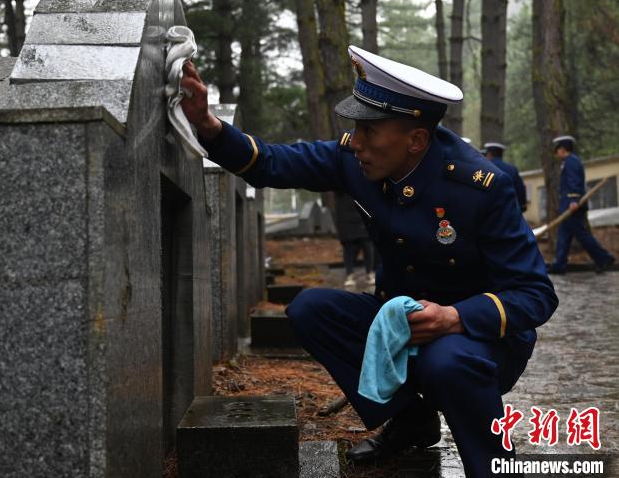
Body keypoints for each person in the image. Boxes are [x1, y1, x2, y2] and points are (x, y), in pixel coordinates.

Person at [180, 46, 558, 477]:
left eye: (369, 131)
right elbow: (271, 163)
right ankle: (410, 419)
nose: (356, 142)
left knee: (445, 361)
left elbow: (536, 294)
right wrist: (207, 124)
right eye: (355, 128)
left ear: (416, 140)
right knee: (310, 310)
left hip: (479, 340)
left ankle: (492, 464)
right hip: (403, 325)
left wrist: (454, 317)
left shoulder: (480, 187)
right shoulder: (356, 160)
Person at [547, 135, 615, 275]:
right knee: (563, 235)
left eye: (558, 149)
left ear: (563, 149)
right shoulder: (569, 161)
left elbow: (574, 182)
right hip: (568, 204)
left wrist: (573, 200)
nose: (557, 152)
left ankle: (604, 258)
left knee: (581, 235)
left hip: (572, 205)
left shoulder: (571, 162)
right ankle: (559, 264)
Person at [334, 191, 376, 288]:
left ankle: (370, 273)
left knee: (367, 247)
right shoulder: (340, 190)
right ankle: (350, 275)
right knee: (349, 249)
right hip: (346, 220)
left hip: (362, 219)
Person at [483, 142, 527, 212]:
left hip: (487, 211)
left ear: (489, 153)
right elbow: (520, 189)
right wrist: (522, 206)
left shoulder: (484, 168)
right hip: (509, 211)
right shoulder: (512, 169)